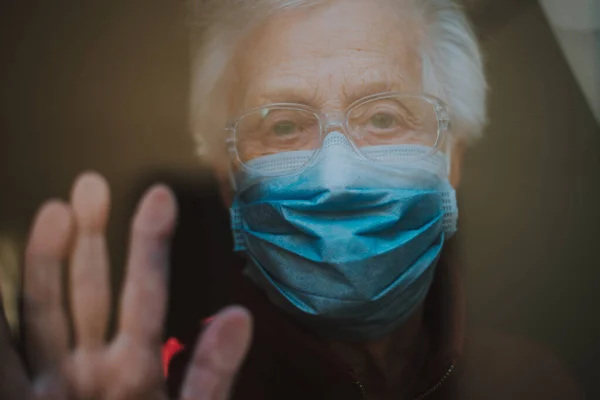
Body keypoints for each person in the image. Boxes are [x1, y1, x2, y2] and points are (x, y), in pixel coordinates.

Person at [0, 0, 586, 399]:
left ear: (451, 158)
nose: (335, 178)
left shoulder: (530, 383)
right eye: (282, 127)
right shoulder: (179, 386)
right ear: (229, 179)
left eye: (384, 116)